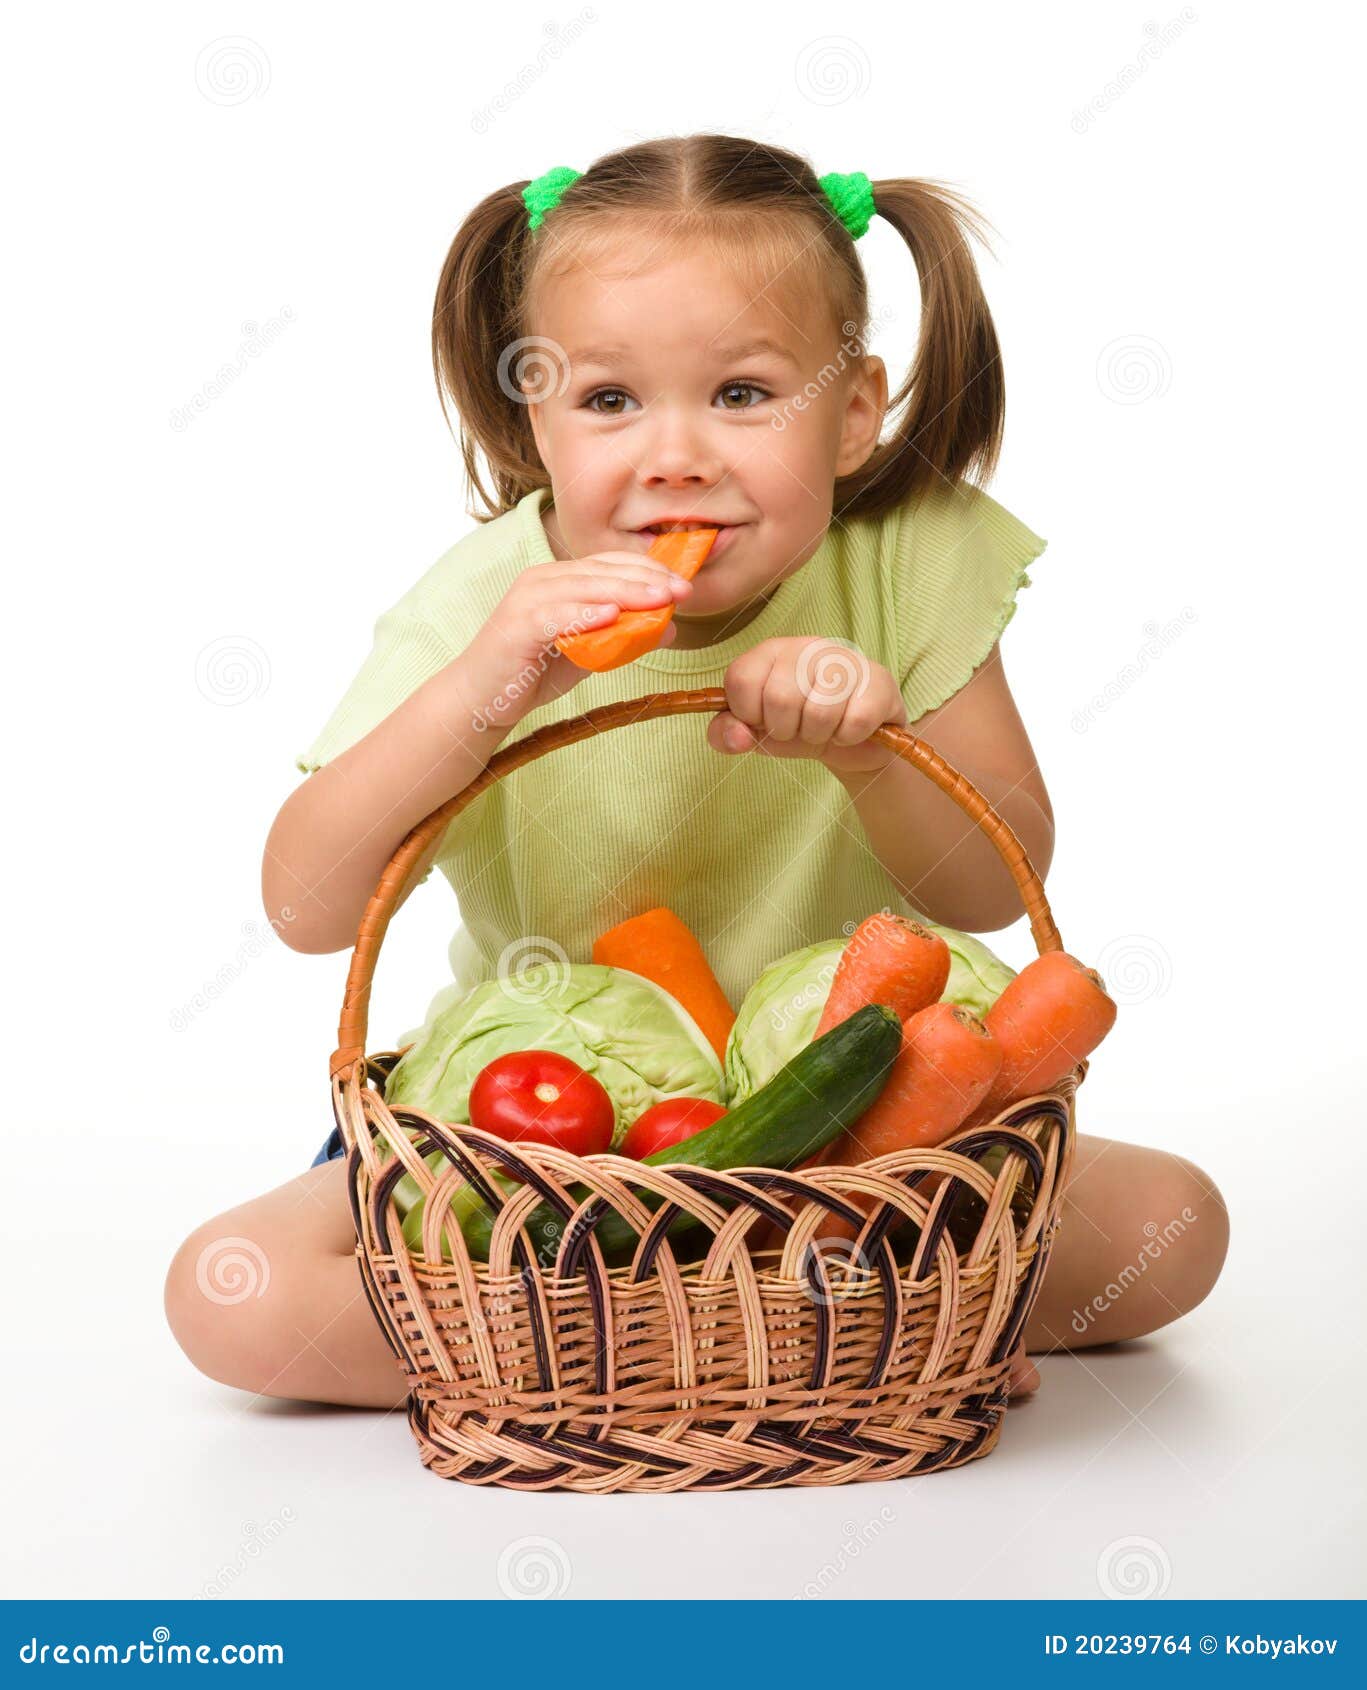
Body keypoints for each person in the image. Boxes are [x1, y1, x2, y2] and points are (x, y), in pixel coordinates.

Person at [165, 135, 1227, 1410]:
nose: (675, 455)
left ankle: (622, 1358)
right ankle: (811, 1348)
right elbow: (303, 907)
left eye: (740, 394)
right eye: (609, 401)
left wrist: (863, 753)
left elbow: (998, 882)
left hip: (859, 1142)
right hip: (545, 1145)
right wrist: (485, 689)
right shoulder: (486, 611)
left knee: (1178, 1226)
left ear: (850, 414)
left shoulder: (906, 553)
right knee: (233, 1293)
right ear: (532, 422)